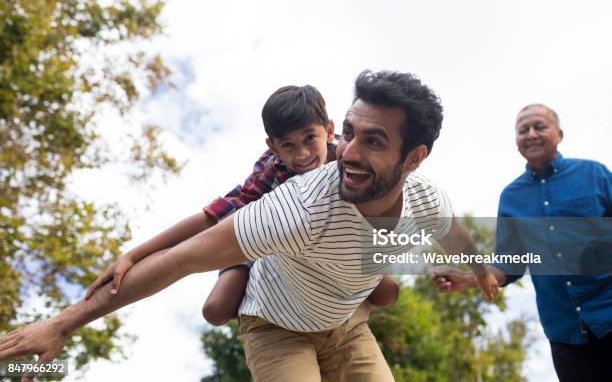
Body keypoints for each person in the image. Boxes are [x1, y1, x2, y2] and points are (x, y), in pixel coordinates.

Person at [0, 70, 498, 382]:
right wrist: (63, 322)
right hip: (278, 326)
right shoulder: (298, 206)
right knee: (220, 307)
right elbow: (183, 257)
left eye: (372, 141)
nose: (347, 152)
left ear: (413, 158)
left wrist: (482, 271)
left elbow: (451, 230)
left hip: (346, 326)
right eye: (348, 133)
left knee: (383, 287)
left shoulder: (426, 197)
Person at [85, 84, 400, 327]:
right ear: (273, 147)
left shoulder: (349, 163)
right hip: (268, 237)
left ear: (328, 131)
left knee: (387, 294)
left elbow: (397, 207)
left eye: (309, 139)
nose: (302, 155)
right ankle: (268, 299)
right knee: (216, 310)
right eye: (287, 146)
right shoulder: (271, 170)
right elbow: (211, 218)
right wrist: (132, 255)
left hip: (335, 244)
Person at [433, 104, 612, 381]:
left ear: (559, 134)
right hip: (565, 332)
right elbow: (510, 263)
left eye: (539, 126)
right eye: (523, 130)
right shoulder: (511, 198)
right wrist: (471, 279)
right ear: (517, 142)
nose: (531, 134)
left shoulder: (595, 175)